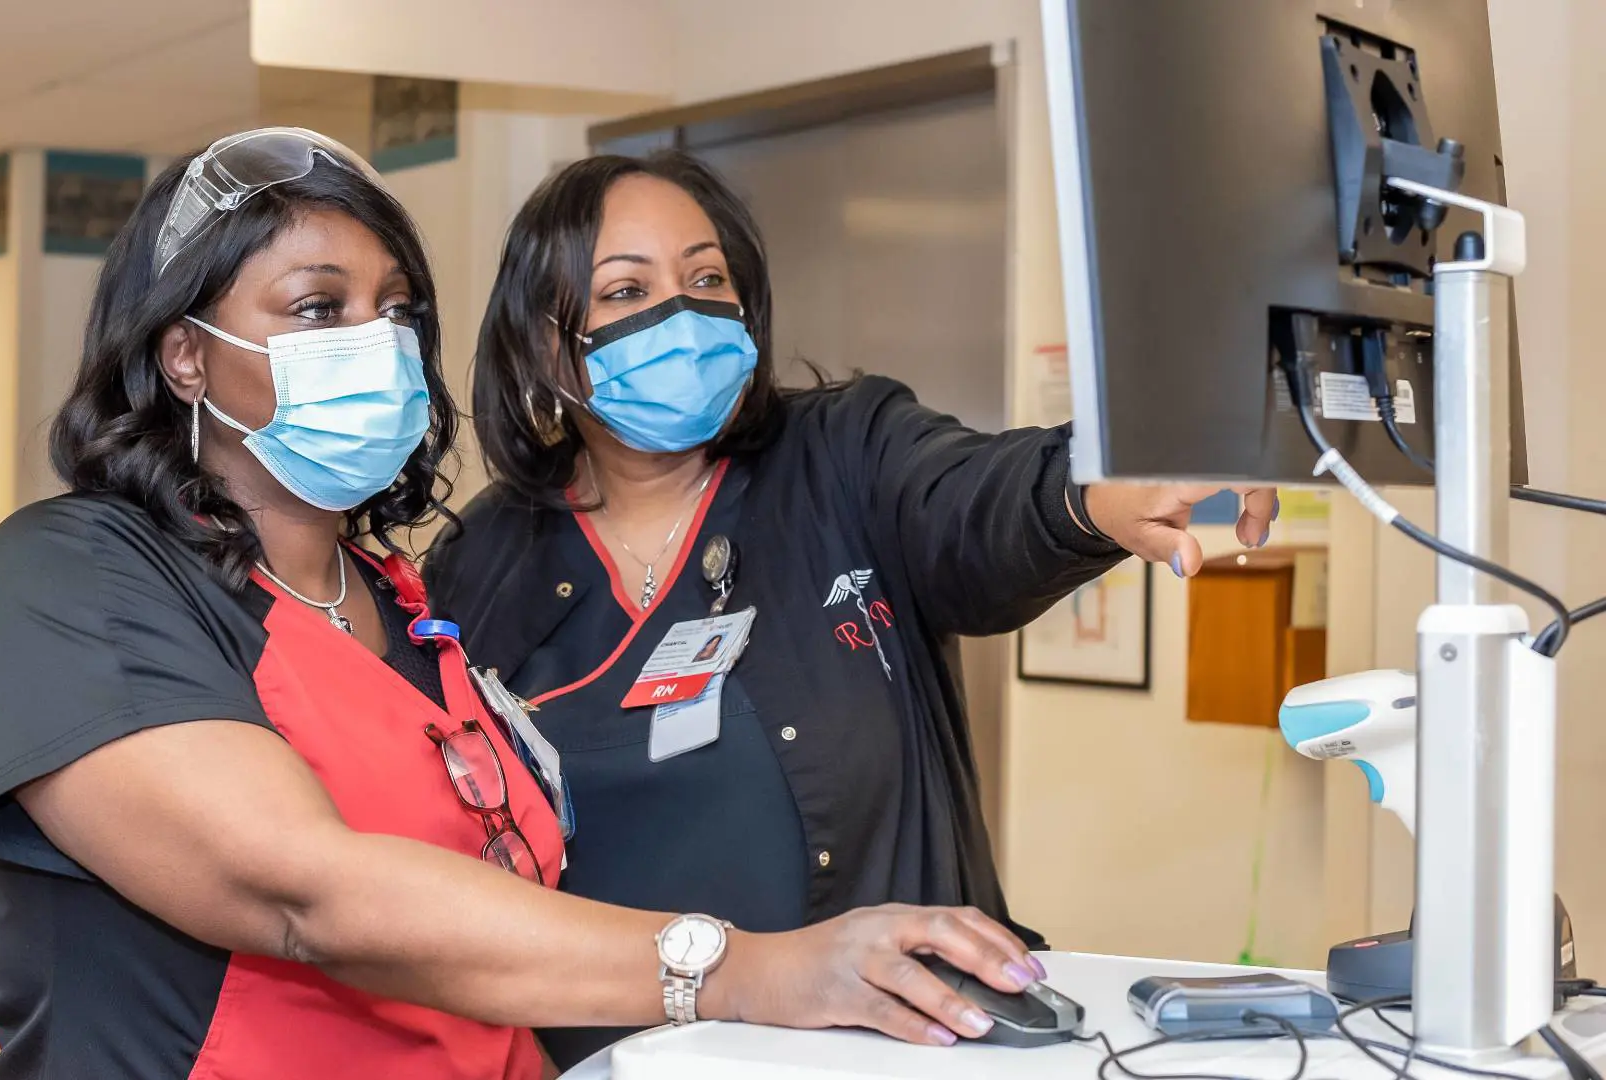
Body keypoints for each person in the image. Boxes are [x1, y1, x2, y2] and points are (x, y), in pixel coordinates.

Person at [0, 129, 1051, 1080]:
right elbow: (301, 894)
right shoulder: (73, 578)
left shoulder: (413, 614)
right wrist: (745, 969)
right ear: (186, 355)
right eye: (318, 307)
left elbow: (480, 970)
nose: (375, 341)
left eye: (395, 309)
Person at [423, 151, 1277, 1067]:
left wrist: (1087, 492)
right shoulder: (485, 561)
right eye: (626, 292)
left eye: (707, 277)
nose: (681, 312)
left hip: (886, 1049)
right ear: (548, 343)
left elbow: (973, 504)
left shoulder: (843, 455)